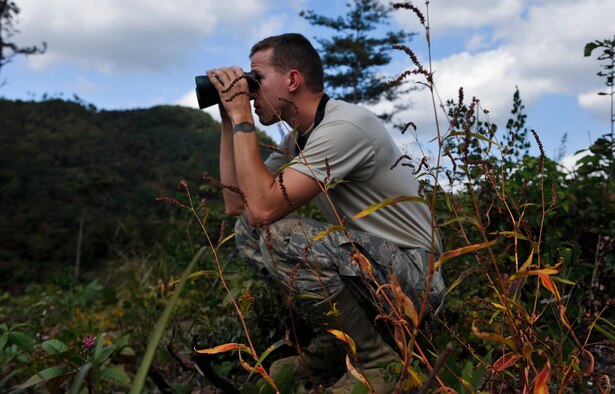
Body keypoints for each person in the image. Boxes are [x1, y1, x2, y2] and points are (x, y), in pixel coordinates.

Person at [207, 33, 445, 393]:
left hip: (416, 280)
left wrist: (243, 116)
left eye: (255, 79)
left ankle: (378, 362)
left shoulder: (344, 127)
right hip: (372, 269)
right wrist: (229, 118)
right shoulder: (299, 138)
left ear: (292, 80)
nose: (250, 92)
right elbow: (238, 204)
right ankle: (339, 342)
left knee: (280, 235)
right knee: (248, 231)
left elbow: (264, 207)